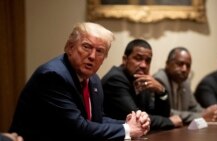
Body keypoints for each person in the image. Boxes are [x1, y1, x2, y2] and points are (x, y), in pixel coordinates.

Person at [9, 22, 150, 141]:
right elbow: (78, 128)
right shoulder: (53, 76)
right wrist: (127, 130)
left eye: (100, 51)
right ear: (69, 47)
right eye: (86, 47)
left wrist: (133, 123)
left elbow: (96, 119)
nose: (92, 56)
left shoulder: (93, 79)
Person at [102, 39, 183, 130]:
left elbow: (158, 115)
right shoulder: (115, 79)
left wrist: (161, 91)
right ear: (125, 60)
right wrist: (170, 122)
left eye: (148, 61)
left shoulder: (141, 78)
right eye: (138, 58)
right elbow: (137, 118)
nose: (144, 65)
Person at [153, 47, 217, 124]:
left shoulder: (185, 82)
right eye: (180, 64)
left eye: (188, 66)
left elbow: (194, 107)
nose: (184, 69)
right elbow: (167, 113)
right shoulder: (159, 80)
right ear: (168, 64)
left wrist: (211, 113)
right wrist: (201, 116)